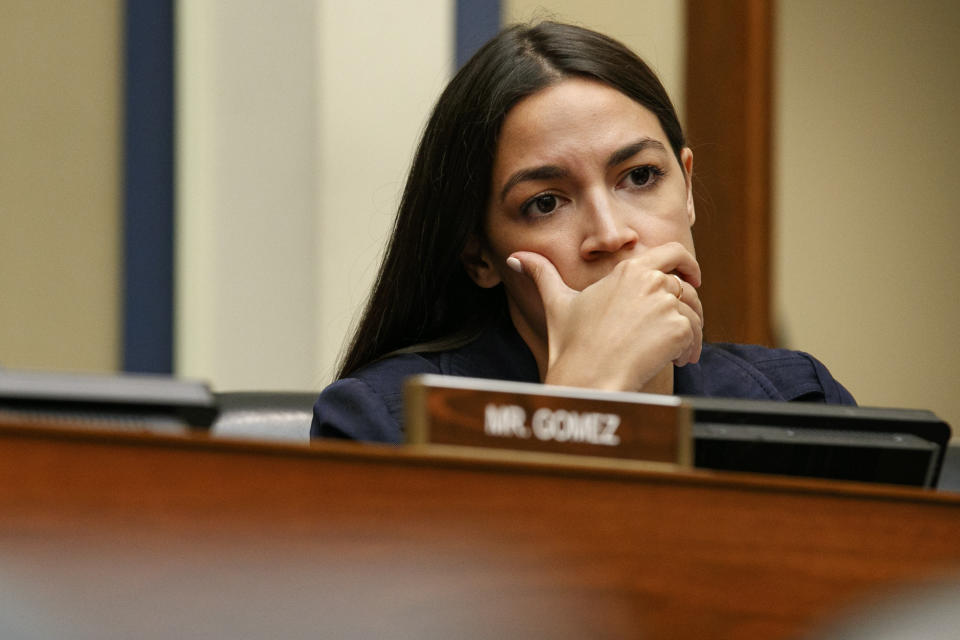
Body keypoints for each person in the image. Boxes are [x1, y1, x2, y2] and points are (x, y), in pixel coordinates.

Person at [312, 21, 854, 442]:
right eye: (545, 203)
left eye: (640, 176)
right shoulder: (383, 421)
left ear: (687, 189)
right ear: (479, 256)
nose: (612, 233)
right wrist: (581, 398)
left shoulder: (796, 401)